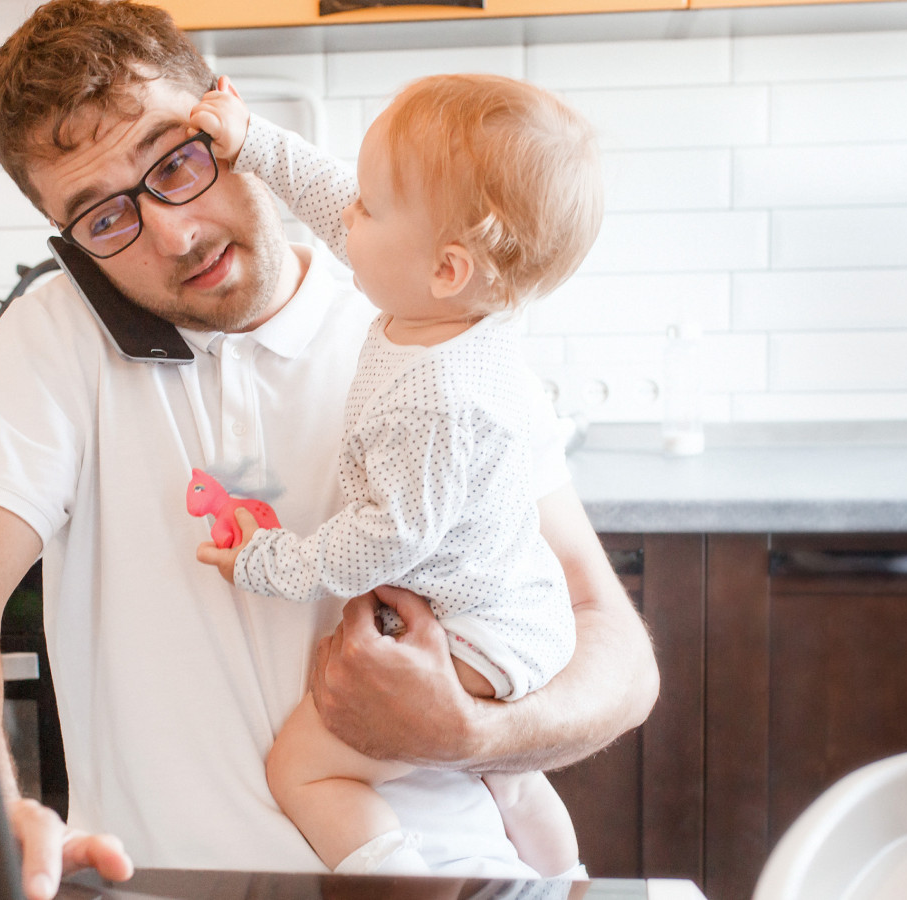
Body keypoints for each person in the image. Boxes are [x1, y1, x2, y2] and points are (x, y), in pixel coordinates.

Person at [0, 1, 660, 898]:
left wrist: (469, 735)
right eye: (104, 219)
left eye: (177, 161)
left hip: (452, 881)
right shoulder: (54, 338)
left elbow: (613, 647)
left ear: (227, 118)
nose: (175, 233)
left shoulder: (428, 325)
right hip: (169, 884)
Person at [190, 75, 600, 878]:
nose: (348, 214)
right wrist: (253, 143)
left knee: (305, 768)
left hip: (477, 634)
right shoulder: (448, 308)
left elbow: (385, 539)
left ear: (446, 266)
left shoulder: (436, 398)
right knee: (511, 784)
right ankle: (569, 882)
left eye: (370, 207)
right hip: (517, 610)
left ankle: (400, 887)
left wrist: (267, 562)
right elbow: (332, 193)